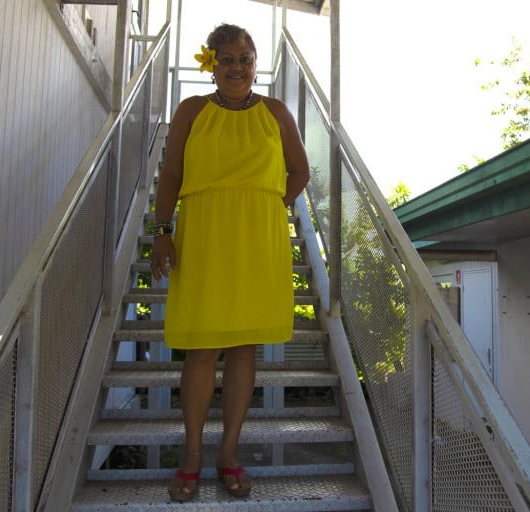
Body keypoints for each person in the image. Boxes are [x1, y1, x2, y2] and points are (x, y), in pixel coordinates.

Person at [150, 23, 309, 502]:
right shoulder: (191, 110)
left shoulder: (276, 112)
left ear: (255, 64)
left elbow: (300, 171)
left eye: (245, 58)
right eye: (227, 59)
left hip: (258, 239)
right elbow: (171, 174)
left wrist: (267, 205)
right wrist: (162, 233)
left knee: (243, 348)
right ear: (211, 65)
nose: (237, 67)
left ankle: (229, 453)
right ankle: (192, 454)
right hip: (204, 234)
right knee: (202, 349)